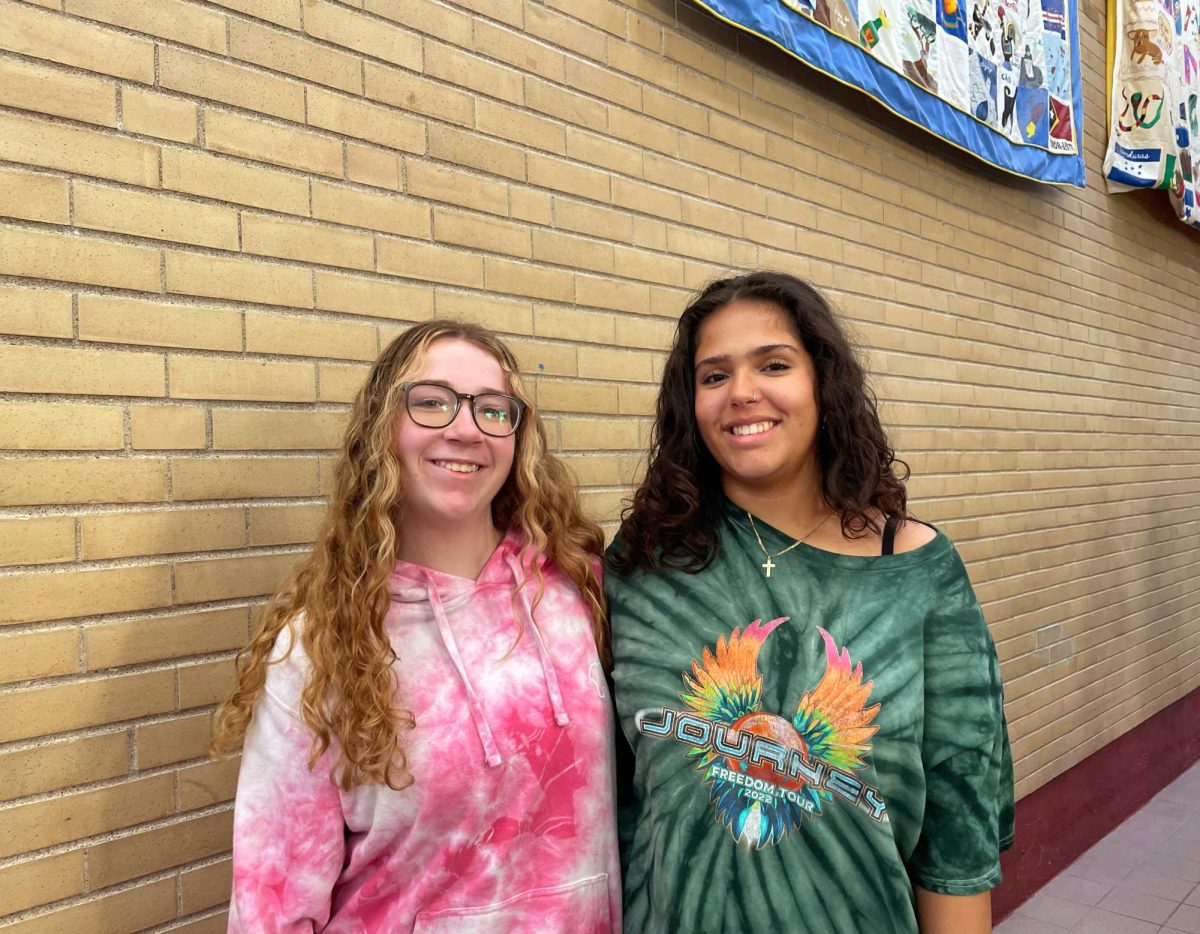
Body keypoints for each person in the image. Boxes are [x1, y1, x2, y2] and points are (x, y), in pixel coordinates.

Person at [606, 272, 1013, 934]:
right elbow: (611, 798)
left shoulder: (916, 575)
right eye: (714, 376)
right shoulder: (646, 564)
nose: (742, 392)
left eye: (773, 364)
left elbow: (957, 848)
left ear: (823, 383)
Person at [211, 320, 621, 933]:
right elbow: (273, 907)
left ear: (517, 437)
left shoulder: (573, 592)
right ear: (383, 427)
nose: (464, 429)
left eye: (492, 409)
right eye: (431, 402)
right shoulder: (320, 646)